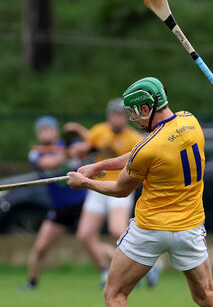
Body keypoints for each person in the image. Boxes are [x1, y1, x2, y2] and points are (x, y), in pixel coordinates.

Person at [67, 77, 213, 307]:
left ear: (146, 108)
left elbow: (121, 189)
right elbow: (139, 153)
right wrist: (97, 166)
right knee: (206, 295)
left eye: (135, 112)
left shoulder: (149, 147)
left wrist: (86, 183)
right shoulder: (190, 121)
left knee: (115, 294)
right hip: (190, 229)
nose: (133, 118)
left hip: (150, 230)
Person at [64, 98, 160, 289]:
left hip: (120, 187)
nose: (117, 119)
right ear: (109, 116)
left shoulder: (133, 138)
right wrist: (79, 150)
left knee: (118, 231)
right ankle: (104, 271)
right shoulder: (98, 131)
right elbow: (85, 151)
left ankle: (145, 266)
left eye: (121, 115)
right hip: (97, 188)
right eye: (114, 115)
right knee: (84, 235)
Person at [20, 116, 87, 291]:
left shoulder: (72, 144)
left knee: (89, 241)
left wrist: (77, 135)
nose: (46, 133)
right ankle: (31, 282)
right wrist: (65, 151)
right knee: (41, 247)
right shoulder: (36, 153)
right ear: (38, 134)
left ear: (56, 131)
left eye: (49, 129)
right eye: (42, 130)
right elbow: (52, 163)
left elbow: (92, 146)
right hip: (60, 207)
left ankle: (110, 271)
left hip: (82, 203)